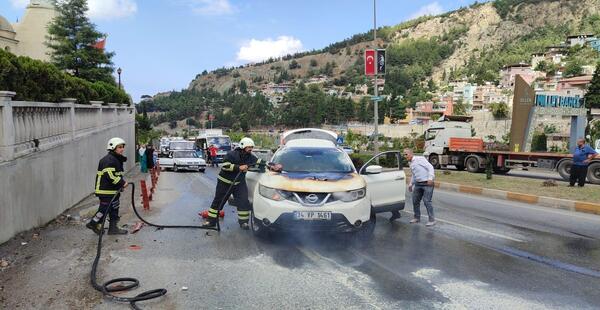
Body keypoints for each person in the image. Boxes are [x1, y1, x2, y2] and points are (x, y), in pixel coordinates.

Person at [202, 137, 282, 230]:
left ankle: (243, 223)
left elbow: (260, 162)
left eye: (252, 147)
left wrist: (273, 165)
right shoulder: (231, 154)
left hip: (239, 183)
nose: (251, 149)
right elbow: (225, 166)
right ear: (243, 146)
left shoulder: (250, 156)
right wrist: (238, 167)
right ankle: (210, 221)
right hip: (225, 183)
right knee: (218, 202)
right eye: (249, 147)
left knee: (243, 202)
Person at [86, 137, 129, 235]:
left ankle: (113, 229)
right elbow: (110, 176)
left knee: (114, 208)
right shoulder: (108, 160)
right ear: (113, 148)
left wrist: (119, 186)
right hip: (105, 191)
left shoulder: (115, 159)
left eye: (122, 147)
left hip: (112, 191)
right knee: (104, 209)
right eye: (119, 147)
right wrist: (122, 183)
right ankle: (93, 223)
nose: (122, 149)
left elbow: (115, 175)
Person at [404, 148, 436, 227]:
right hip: (418, 184)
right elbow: (414, 175)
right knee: (415, 201)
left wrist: (430, 178)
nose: (405, 156)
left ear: (411, 153)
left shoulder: (420, 159)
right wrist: (411, 184)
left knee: (427, 201)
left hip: (427, 184)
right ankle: (417, 217)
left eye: (406, 154)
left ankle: (432, 220)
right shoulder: (410, 163)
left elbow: (430, 167)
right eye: (404, 154)